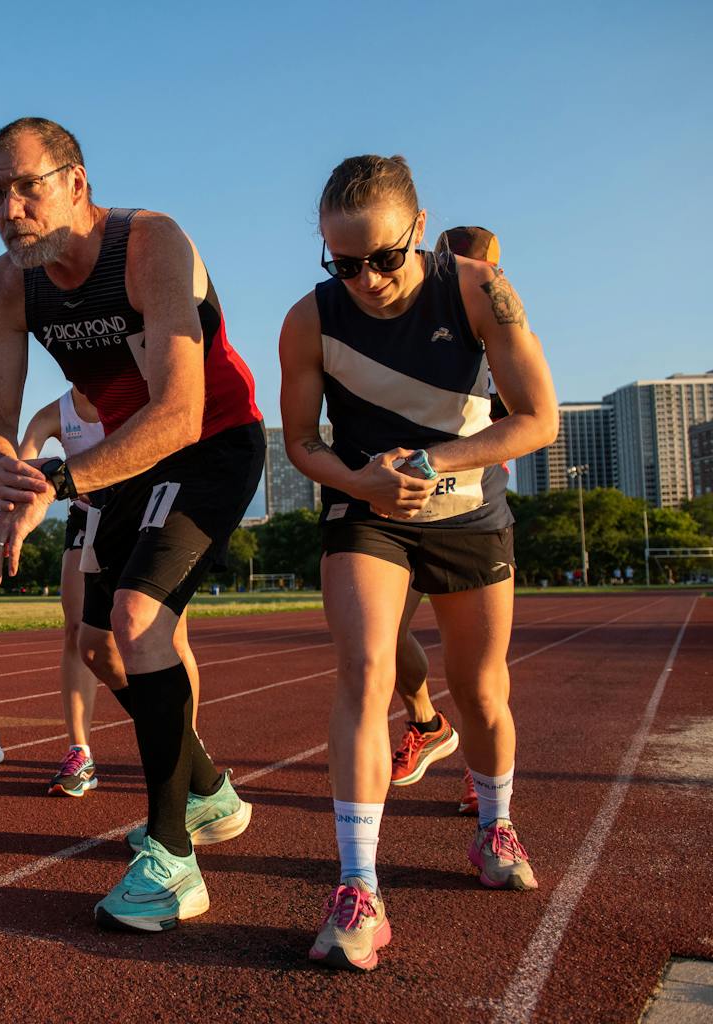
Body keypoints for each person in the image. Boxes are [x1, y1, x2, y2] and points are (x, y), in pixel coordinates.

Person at [0, 118, 262, 932]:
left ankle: (172, 862)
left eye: (28, 186)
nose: (11, 207)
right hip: (120, 467)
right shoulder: (6, 284)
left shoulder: (150, 245)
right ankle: (204, 790)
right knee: (96, 646)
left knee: (138, 619)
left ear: (77, 182)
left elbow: (179, 409)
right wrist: (6, 473)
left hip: (207, 443)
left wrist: (57, 482)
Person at [279, 156, 557, 970]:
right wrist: (360, 480)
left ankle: (493, 823)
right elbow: (300, 443)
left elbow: (537, 419)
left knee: (478, 689)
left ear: (420, 229)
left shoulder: (479, 290)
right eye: (344, 264)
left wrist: (436, 464)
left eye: (385, 259)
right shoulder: (308, 320)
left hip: (468, 508)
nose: (366, 280)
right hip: (369, 511)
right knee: (364, 672)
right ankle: (358, 885)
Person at [18, 387, 212, 799]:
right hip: (89, 521)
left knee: (171, 637)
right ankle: (80, 752)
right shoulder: (55, 413)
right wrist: (60, 475)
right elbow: (24, 461)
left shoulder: (141, 397)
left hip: (151, 518)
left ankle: (189, 749)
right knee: (77, 633)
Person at [388, 226, 506, 818]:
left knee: (480, 673)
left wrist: (461, 453)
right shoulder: (411, 310)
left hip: (470, 502)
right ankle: (427, 724)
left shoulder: (495, 319)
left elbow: (526, 419)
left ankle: (483, 775)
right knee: (379, 641)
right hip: (397, 501)